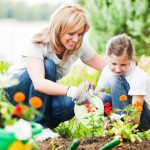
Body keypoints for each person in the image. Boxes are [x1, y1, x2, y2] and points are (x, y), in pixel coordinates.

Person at [4, 4, 106, 140]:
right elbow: (39, 83)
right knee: (48, 66)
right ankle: (38, 127)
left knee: (70, 104)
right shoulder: (39, 43)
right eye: (71, 33)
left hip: (41, 97)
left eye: (80, 34)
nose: (75, 39)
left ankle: (29, 123)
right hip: (17, 91)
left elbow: (108, 67)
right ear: (59, 29)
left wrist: (133, 73)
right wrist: (74, 90)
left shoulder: (78, 46)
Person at [95, 33, 150, 130]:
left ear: (130, 59)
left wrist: (126, 126)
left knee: (114, 79)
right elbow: (96, 97)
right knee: (99, 97)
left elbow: (136, 116)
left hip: (143, 117)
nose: (117, 69)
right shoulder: (107, 69)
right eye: (114, 64)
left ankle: (120, 127)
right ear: (108, 57)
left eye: (123, 65)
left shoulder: (139, 76)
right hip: (123, 112)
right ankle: (114, 124)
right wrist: (104, 119)